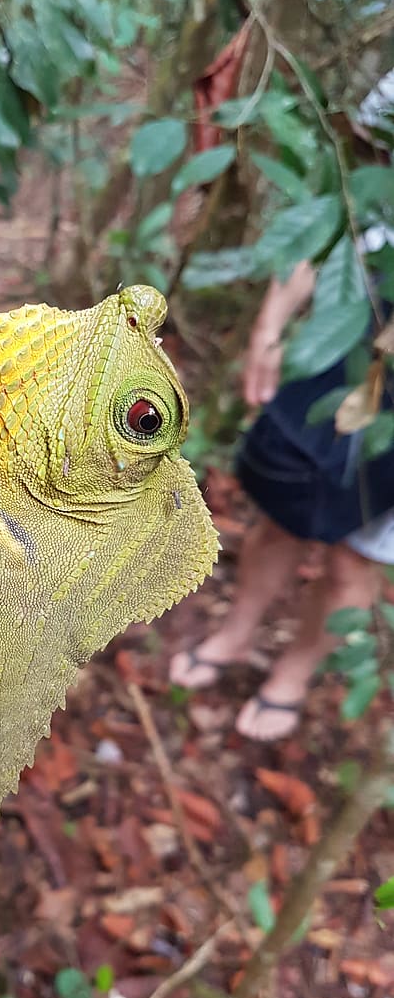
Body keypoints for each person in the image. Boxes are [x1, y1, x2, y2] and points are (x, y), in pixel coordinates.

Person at [170, 260, 394, 741]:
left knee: (351, 565)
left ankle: (293, 674)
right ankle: (235, 636)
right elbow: (320, 239)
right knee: (280, 516)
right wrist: (269, 328)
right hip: (347, 358)